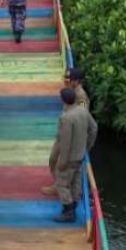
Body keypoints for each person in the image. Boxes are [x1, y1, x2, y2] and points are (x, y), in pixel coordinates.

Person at [48, 87, 90, 223]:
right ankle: (75, 204)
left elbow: (65, 141)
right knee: (76, 179)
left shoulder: (66, 117)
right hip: (80, 154)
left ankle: (68, 211)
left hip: (70, 156)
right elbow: (94, 129)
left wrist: (63, 160)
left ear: (63, 101)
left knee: (62, 183)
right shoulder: (83, 112)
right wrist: (87, 146)